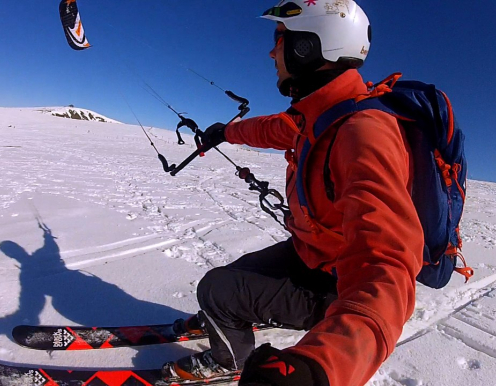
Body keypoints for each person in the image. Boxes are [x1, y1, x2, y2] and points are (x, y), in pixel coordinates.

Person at [164, 1, 424, 385]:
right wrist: (226, 133)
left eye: (280, 38)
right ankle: (222, 315)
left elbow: (387, 263)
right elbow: (275, 128)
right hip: (312, 254)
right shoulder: (324, 115)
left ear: (310, 46)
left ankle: (229, 360)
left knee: (215, 289)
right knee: (232, 276)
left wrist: (322, 369)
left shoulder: (362, 132)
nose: (272, 51)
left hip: (337, 286)